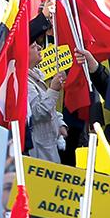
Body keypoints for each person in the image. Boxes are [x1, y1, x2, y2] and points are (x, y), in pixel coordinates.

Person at [27, 17, 67, 163]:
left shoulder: (35, 75)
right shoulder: (24, 81)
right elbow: (37, 113)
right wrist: (54, 90)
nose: (39, 48)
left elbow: (49, 110)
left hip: (49, 148)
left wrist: (61, 124)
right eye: (33, 46)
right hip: (40, 154)